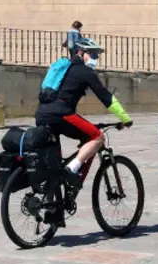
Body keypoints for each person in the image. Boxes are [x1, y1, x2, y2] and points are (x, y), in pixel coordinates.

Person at [35, 38, 132, 190]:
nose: (96, 59)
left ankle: (51, 203)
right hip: (61, 114)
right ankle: (72, 169)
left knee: (55, 165)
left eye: (97, 56)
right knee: (98, 137)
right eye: (93, 54)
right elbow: (105, 96)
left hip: (41, 114)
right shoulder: (86, 72)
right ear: (81, 52)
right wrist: (124, 118)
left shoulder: (65, 69)